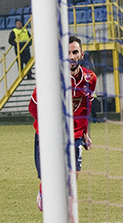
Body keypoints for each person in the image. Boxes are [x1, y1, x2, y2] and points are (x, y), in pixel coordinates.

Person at [29, 36, 98, 211]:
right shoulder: (51, 79)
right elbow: (33, 107)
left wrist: (85, 133)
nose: (71, 56)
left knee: (73, 176)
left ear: (81, 54)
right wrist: (49, 129)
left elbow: (86, 106)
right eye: (67, 53)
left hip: (75, 134)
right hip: (49, 134)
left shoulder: (90, 78)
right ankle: (44, 192)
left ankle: (63, 208)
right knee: (50, 176)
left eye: (75, 52)